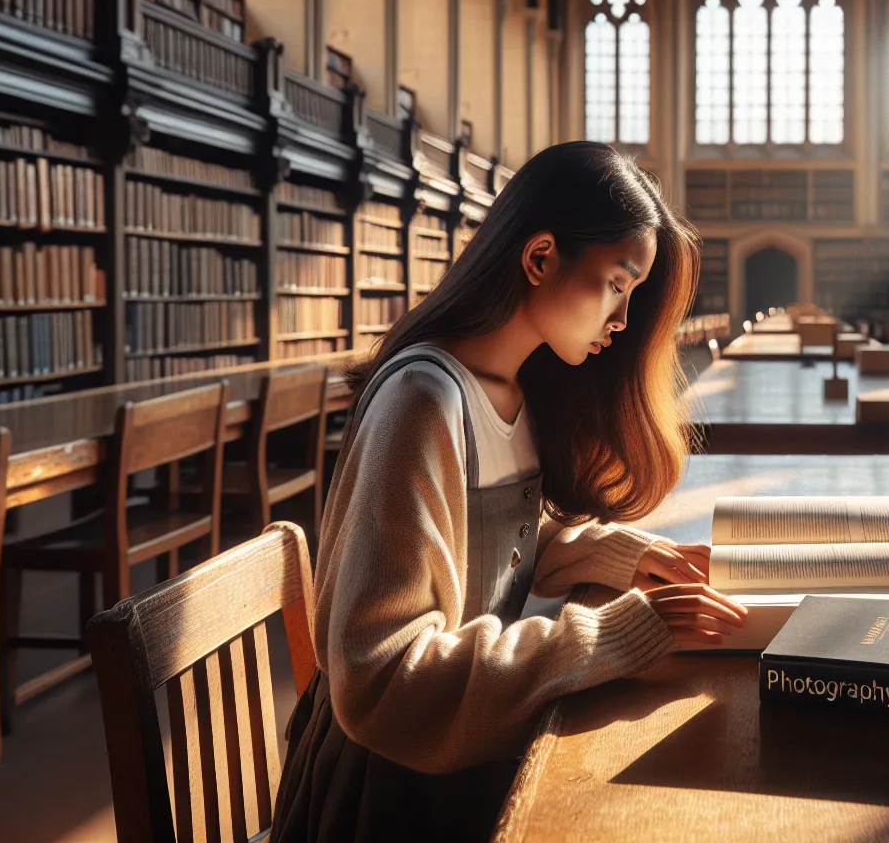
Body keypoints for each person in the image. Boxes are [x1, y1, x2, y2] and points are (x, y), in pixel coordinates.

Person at [273, 143, 747, 841]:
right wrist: (609, 635)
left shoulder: (512, 393)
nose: (621, 320)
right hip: (389, 797)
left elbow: (495, 544)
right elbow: (383, 680)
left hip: (458, 758)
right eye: (617, 284)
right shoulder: (424, 400)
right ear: (540, 258)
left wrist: (614, 554)